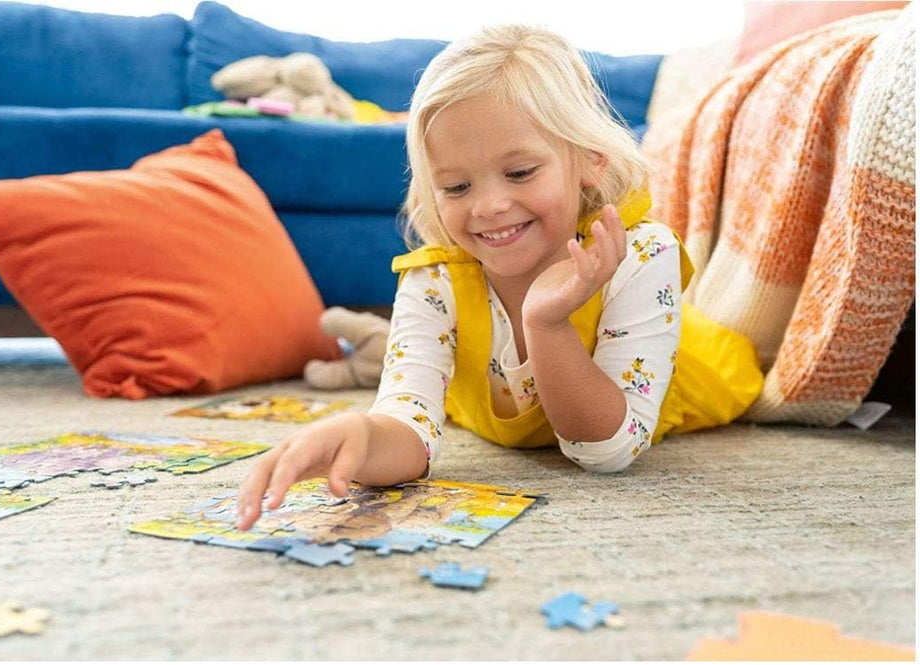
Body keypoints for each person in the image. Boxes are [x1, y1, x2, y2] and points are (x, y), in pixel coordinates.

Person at [236, 24, 762, 531]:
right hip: (493, 404)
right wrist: (359, 435)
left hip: (683, 378)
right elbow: (410, 430)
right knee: (416, 371)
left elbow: (606, 451)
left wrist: (547, 324)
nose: (488, 206)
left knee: (736, 370)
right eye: (457, 186)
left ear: (590, 162)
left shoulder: (639, 253)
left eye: (519, 173)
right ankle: (373, 356)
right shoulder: (436, 278)